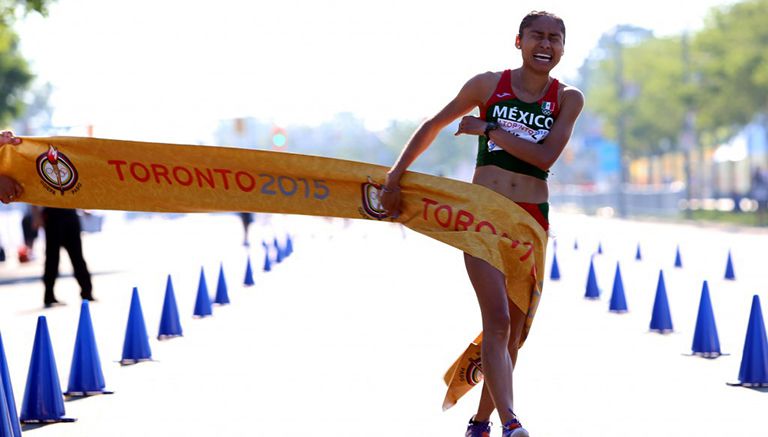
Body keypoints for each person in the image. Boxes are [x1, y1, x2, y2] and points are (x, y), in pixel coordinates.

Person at [380, 11, 583, 437]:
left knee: (514, 332)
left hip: (530, 220)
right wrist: (394, 176)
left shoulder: (568, 98)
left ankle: (480, 422)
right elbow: (433, 125)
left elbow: (545, 158)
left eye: (554, 39)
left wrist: (487, 127)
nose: (545, 45)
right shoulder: (487, 85)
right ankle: (511, 422)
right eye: (536, 37)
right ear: (519, 41)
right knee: (498, 322)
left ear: (563, 47)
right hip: (484, 213)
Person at [0, 131, 95, 307]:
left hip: (70, 214)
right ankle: (49, 295)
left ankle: (87, 293)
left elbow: (77, 190)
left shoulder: (69, 163)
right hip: (52, 216)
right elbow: (33, 192)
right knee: (52, 258)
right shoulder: (40, 164)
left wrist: (84, 208)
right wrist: (36, 216)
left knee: (77, 256)